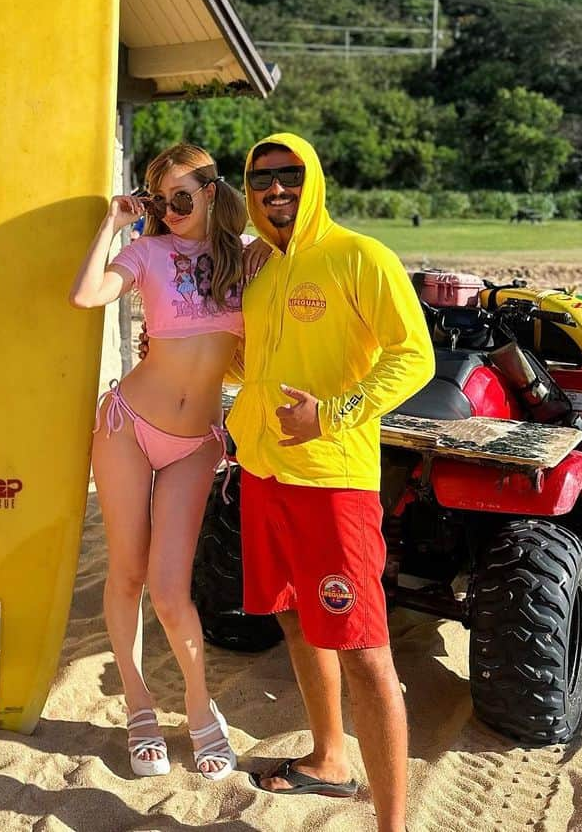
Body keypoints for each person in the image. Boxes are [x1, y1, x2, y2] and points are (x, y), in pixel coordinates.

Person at [229, 132, 432, 832]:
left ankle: (392, 825)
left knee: (364, 648)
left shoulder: (359, 256)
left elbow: (415, 357)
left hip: (332, 482)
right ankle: (327, 761)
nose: (275, 188)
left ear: (312, 179)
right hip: (262, 471)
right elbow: (254, 366)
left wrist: (334, 413)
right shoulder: (261, 271)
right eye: (261, 178)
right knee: (293, 615)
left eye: (288, 175)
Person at [70, 143, 266, 781]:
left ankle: (198, 703)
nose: (172, 211)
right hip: (128, 424)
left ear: (212, 191)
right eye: (161, 201)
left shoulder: (245, 259)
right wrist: (113, 222)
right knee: (126, 574)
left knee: (172, 588)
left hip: (197, 441)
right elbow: (87, 294)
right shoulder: (148, 252)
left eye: (183, 197)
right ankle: (137, 703)